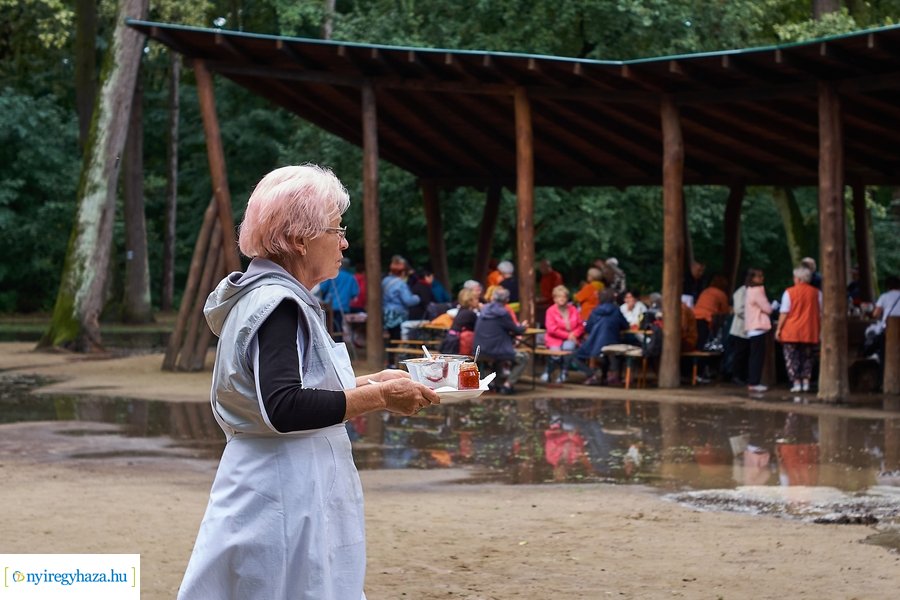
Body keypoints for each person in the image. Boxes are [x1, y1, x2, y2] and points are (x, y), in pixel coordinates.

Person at [179, 165, 439, 600]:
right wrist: (379, 397)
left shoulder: (270, 296)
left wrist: (367, 381)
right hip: (280, 492)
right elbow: (282, 406)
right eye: (336, 230)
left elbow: (289, 387)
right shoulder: (277, 303)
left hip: (280, 484)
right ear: (300, 239)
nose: (344, 241)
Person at [775, 265, 822, 393]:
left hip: (791, 330)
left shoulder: (789, 292)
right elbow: (821, 312)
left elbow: (784, 312)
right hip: (810, 330)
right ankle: (806, 381)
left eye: (795, 277)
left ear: (799, 278)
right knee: (807, 357)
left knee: (791, 357)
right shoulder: (817, 293)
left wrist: (778, 329)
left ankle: (796, 382)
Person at [473, 287, 529, 395]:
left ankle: (495, 383)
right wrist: (523, 327)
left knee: (498, 356)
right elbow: (516, 330)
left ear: (493, 297)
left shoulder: (484, 310)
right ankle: (507, 385)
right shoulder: (503, 313)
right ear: (507, 300)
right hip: (497, 351)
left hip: (479, 351)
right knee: (523, 357)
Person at [574, 289, 629, 385]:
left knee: (574, 356)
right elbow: (625, 325)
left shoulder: (595, 311)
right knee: (612, 355)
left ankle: (592, 374)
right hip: (613, 342)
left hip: (595, 344)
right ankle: (611, 376)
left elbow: (588, 328)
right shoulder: (616, 310)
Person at [541, 285, 584, 383]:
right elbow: (552, 329)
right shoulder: (550, 311)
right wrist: (567, 335)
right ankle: (548, 371)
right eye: (559, 297)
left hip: (571, 337)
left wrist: (574, 334)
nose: (561, 299)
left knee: (568, 349)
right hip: (554, 339)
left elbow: (580, 326)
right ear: (554, 299)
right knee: (555, 355)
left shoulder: (573, 309)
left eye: (564, 297)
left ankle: (563, 372)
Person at [744, 268, 773, 393]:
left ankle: (753, 381)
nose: (762, 279)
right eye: (759, 276)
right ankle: (754, 382)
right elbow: (767, 308)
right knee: (757, 356)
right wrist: (773, 307)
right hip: (758, 326)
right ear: (752, 279)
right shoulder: (757, 291)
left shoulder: (749, 291)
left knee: (754, 356)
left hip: (752, 327)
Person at [381, 255, 420, 344]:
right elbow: (408, 300)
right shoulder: (400, 284)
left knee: (391, 337)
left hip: (386, 313)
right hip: (398, 315)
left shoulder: (385, 280)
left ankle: (390, 357)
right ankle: (396, 357)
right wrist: (417, 298)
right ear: (403, 272)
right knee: (398, 338)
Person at [317, 257, 359, 334]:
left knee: (329, 329)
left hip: (330, 306)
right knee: (340, 329)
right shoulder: (351, 278)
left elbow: (322, 288)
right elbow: (354, 293)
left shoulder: (333, 275)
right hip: (344, 307)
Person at [693, 274, 731, 349]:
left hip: (694, 316)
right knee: (702, 341)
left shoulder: (706, 291)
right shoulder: (721, 294)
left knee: (695, 340)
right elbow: (725, 311)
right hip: (706, 318)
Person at [400, 268, 435, 340]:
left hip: (412, 316)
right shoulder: (424, 287)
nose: (432, 280)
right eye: (432, 277)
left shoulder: (416, 286)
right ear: (426, 277)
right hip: (420, 317)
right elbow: (427, 304)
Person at [727, 274, 750, 385]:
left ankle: (741, 375)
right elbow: (739, 309)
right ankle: (736, 376)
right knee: (739, 354)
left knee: (744, 353)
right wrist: (752, 316)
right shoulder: (741, 292)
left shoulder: (750, 291)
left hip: (747, 328)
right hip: (740, 329)